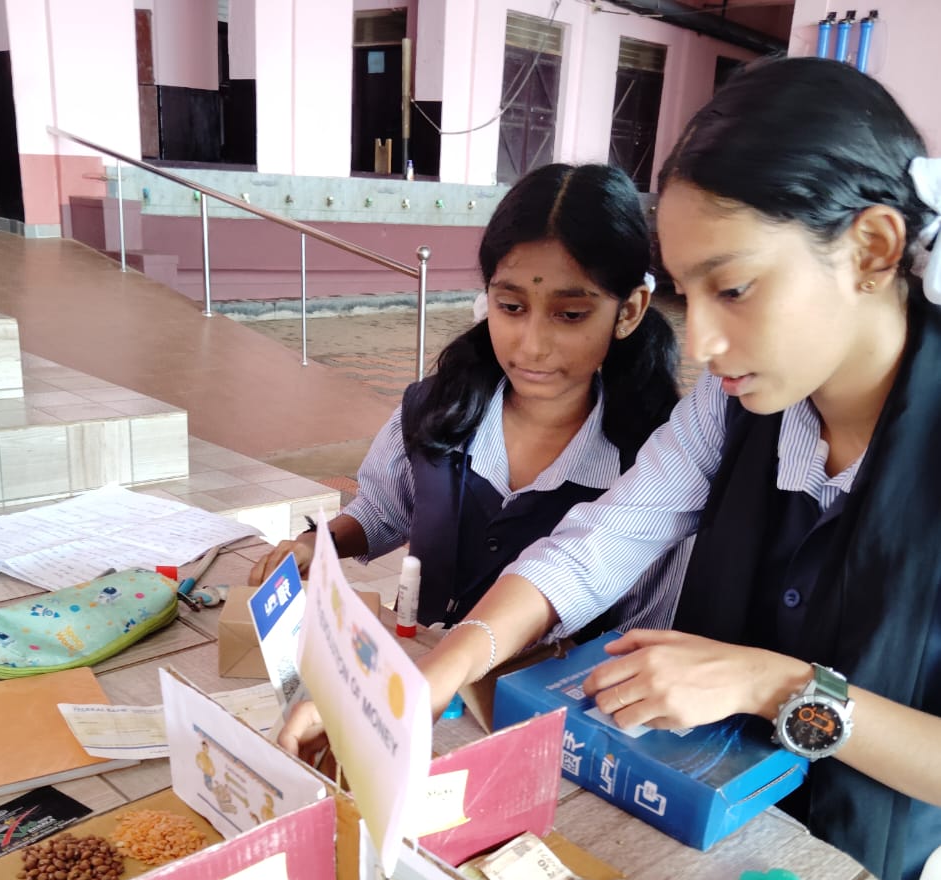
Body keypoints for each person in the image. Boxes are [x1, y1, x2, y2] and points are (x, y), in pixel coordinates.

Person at [280, 56, 941, 880]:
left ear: (872, 249)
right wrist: (413, 687)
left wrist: (775, 684)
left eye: (734, 289)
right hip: (710, 844)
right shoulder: (732, 409)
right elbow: (594, 546)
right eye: (688, 294)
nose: (698, 342)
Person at [250, 161, 682, 636]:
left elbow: (642, 630)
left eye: (571, 314)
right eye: (511, 307)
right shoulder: (439, 410)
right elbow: (383, 510)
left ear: (629, 311)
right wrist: (318, 544)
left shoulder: (653, 470)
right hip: (417, 672)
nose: (532, 345)